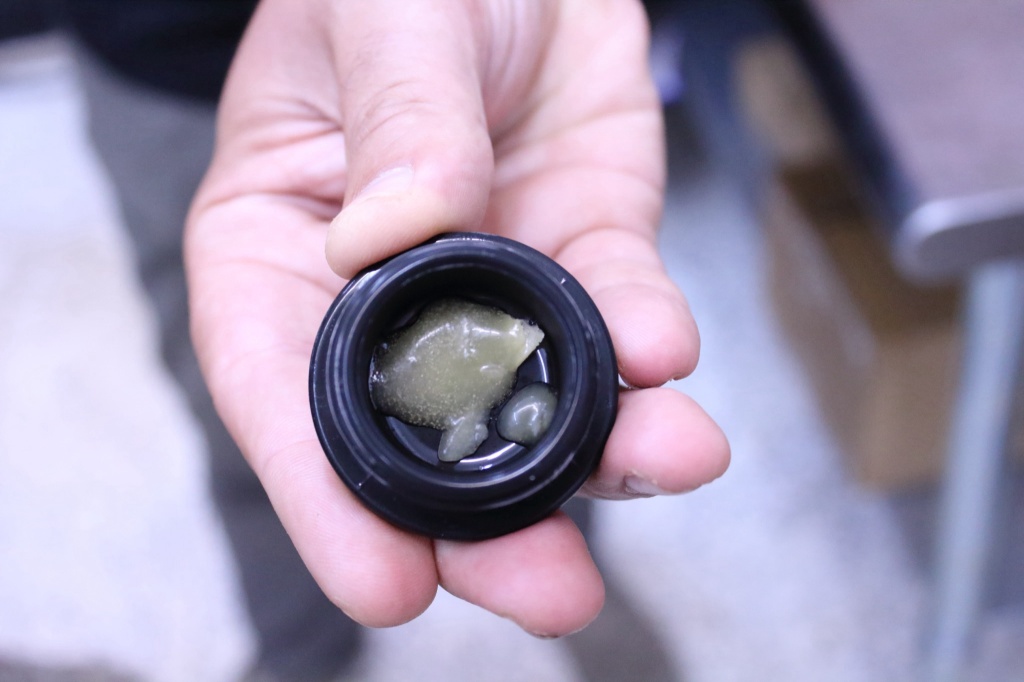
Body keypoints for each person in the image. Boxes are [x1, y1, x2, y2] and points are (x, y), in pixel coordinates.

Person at [65, 0, 730, 678]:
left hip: (504, 66)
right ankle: (299, 653)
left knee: (584, 434)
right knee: (254, 420)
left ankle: (569, 554)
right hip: (164, 70)